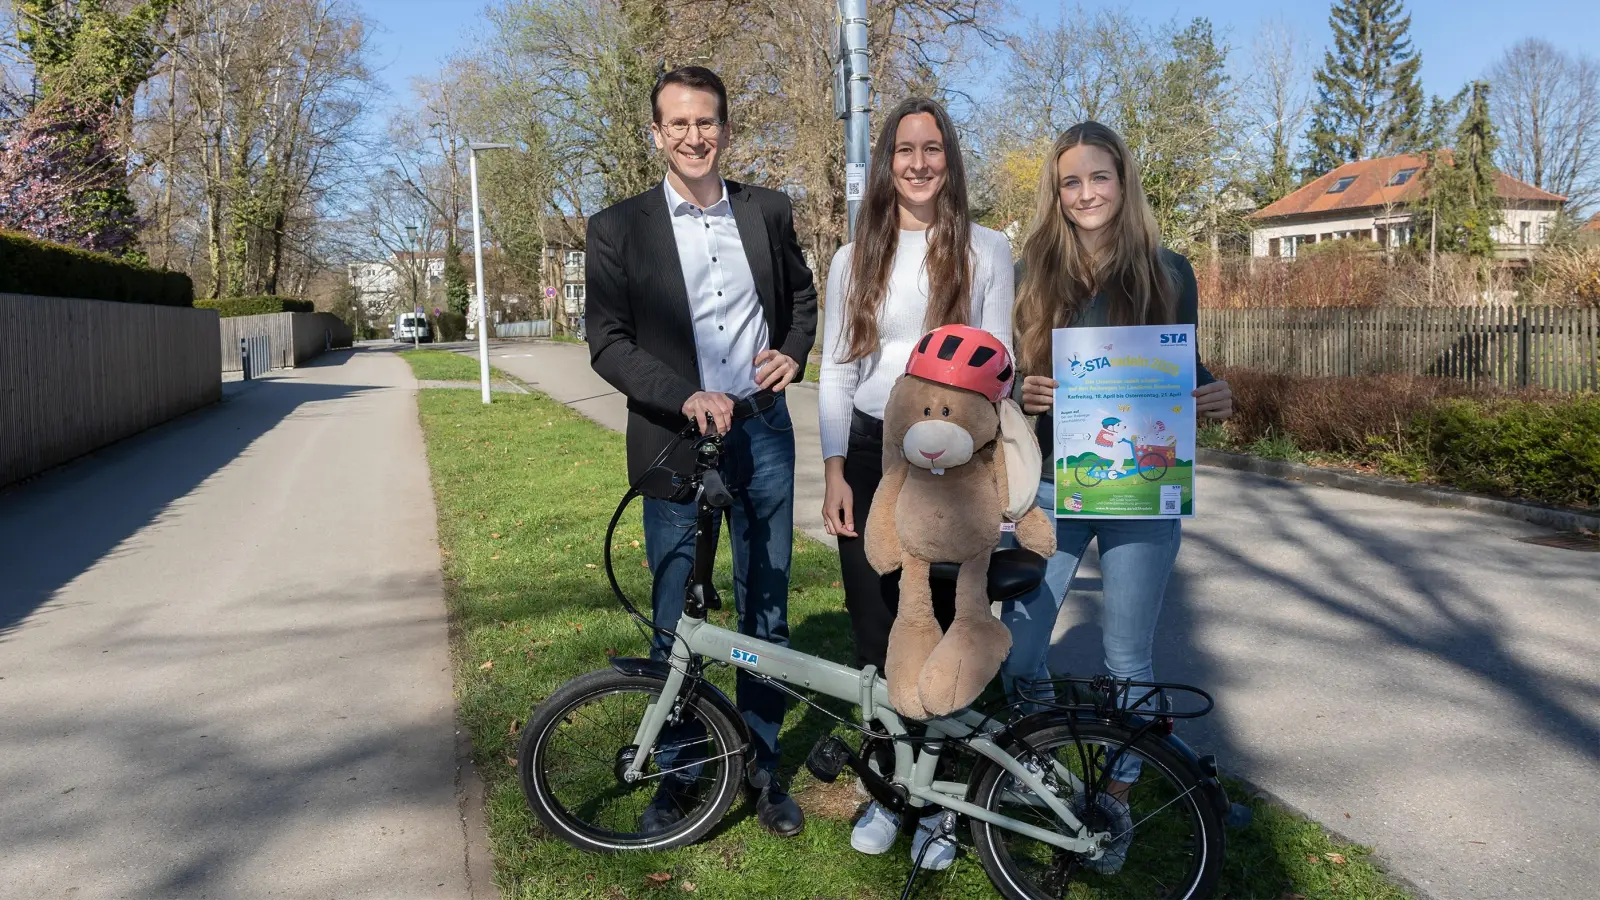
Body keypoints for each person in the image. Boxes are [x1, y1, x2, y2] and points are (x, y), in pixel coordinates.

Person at [584, 65, 817, 838]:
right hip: (673, 440)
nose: (694, 136)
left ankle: (762, 764)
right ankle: (681, 773)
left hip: (762, 433)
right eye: (678, 124)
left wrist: (791, 352)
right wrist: (683, 395)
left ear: (725, 127)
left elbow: (803, 300)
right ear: (656, 132)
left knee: (768, 611)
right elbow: (607, 343)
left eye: (706, 122)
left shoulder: (768, 211)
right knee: (673, 616)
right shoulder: (618, 227)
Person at [1000, 121, 1235, 870]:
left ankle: (1119, 797)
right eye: (1071, 182)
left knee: (1128, 655)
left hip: (1143, 492)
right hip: (1050, 484)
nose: (1086, 193)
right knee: (1021, 646)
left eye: (1098, 177)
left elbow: (1182, 370)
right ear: (1057, 191)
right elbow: (1007, 378)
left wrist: (1211, 395)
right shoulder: (1030, 269)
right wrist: (1023, 391)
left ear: (1123, 181)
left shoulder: (1169, 269)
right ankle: (1043, 770)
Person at [816, 97, 1015, 870]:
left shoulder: (989, 249)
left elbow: (999, 366)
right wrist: (835, 469)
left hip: (957, 466)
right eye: (905, 149)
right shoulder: (852, 256)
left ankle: (944, 800)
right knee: (878, 631)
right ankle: (889, 791)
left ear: (950, 158)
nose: (920, 162)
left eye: (933, 148)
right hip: (873, 457)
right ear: (887, 160)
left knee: (950, 631)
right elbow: (835, 372)